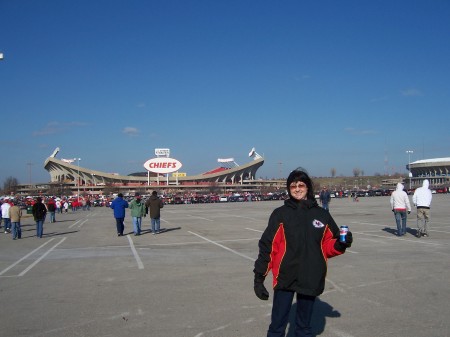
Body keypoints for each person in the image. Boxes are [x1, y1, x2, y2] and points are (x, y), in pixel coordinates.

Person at [253, 167, 353, 337]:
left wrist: (342, 244)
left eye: (301, 185)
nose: (297, 189)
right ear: (288, 189)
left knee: (304, 328)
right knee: (277, 326)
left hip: (311, 276)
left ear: (308, 187)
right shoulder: (280, 214)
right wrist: (259, 276)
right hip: (285, 276)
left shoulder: (322, 215)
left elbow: (327, 245)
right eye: (293, 186)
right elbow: (268, 246)